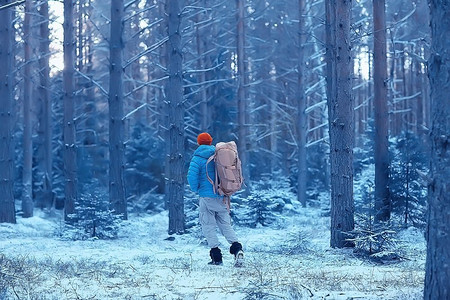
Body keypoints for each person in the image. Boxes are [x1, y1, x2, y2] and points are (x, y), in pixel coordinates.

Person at [187, 132, 244, 266]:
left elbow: (191, 178)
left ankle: (216, 257)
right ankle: (237, 249)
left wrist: (197, 190)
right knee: (226, 225)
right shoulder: (218, 155)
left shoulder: (197, 158)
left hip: (207, 197)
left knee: (208, 225)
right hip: (222, 195)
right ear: (211, 141)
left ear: (198, 143)